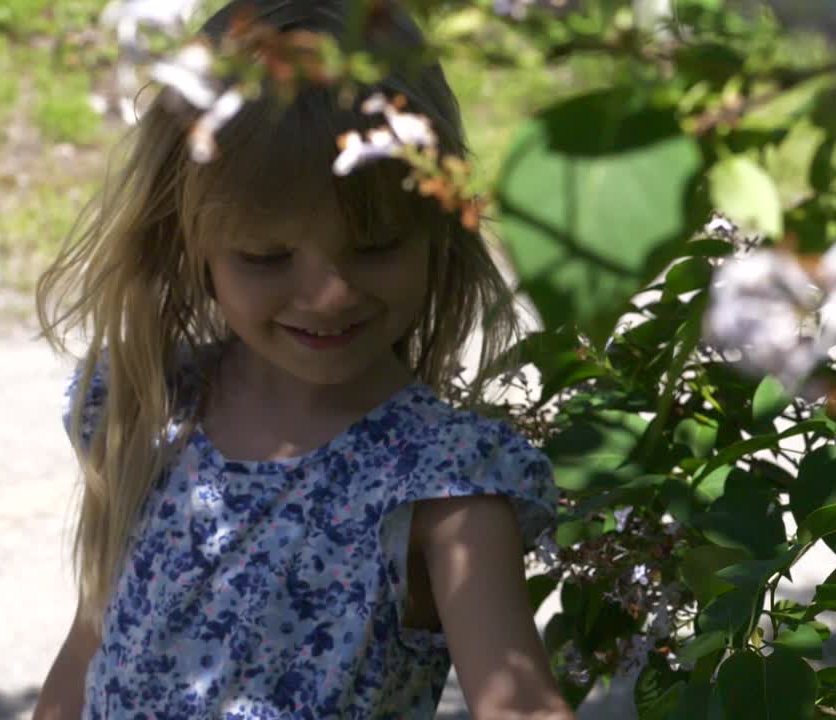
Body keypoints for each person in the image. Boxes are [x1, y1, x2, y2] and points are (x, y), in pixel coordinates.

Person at [31, 0, 571, 717]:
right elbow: (86, 656)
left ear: (437, 227)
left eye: (375, 245)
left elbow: (519, 705)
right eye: (266, 255)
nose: (326, 294)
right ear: (186, 241)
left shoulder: (443, 487)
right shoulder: (155, 415)